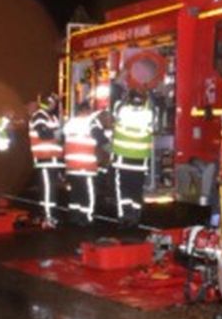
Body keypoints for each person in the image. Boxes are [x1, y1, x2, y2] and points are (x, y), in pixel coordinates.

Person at [110, 87, 154, 227]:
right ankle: (135, 216)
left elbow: (116, 108)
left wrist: (124, 96)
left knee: (123, 189)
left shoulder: (122, 111)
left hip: (122, 159)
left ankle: (124, 216)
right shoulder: (148, 114)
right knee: (136, 189)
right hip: (140, 161)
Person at [62, 100, 107, 226]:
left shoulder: (70, 124)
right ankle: (87, 217)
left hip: (72, 165)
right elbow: (101, 139)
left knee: (75, 192)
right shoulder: (91, 123)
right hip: (86, 165)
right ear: (88, 111)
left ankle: (74, 216)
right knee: (88, 192)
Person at [29, 93, 64, 227]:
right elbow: (43, 133)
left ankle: (48, 215)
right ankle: (48, 218)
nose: (55, 104)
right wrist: (57, 133)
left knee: (50, 189)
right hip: (45, 158)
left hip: (53, 159)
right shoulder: (39, 116)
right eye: (54, 102)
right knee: (48, 189)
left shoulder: (51, 117)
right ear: (50, 102)